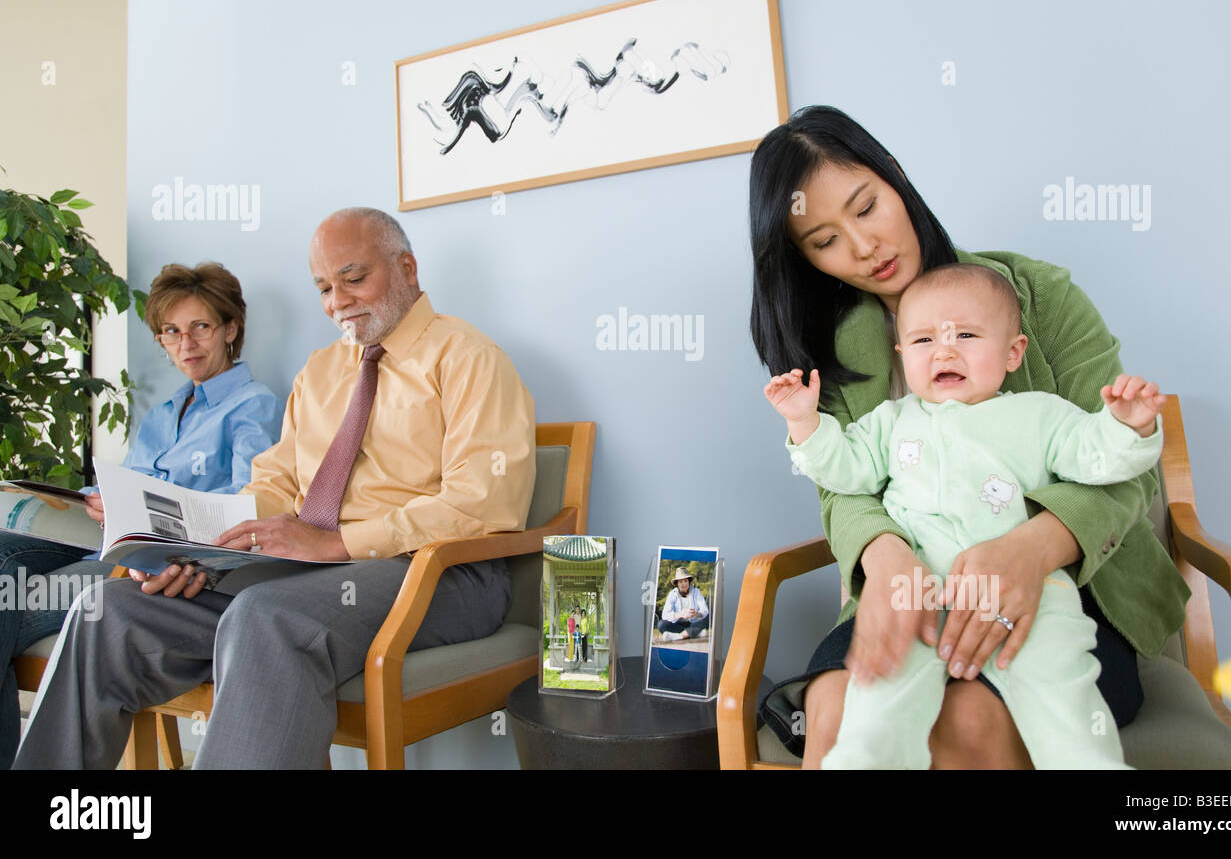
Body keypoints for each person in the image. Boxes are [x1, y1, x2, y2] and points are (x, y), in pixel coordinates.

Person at [15, 207, 536, 769]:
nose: (338, 301)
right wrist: (208, 548)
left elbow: (484, 502)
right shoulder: (321, 371)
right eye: (323, 287)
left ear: (407, 267)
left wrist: (338, 544)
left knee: (266, 616)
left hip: (439, 573)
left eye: (354, 278)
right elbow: (276, 481)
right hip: (305, 574)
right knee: (108, 611)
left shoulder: (470, 359)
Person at [748, 105, 1189, 768]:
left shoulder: (1036, 297)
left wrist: (1032, 548)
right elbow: (845, 484)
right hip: (911, 583)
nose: (863, 246)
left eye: (867, 207)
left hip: (1063, 596)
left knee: (968, 721)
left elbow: (1121, 466)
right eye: (825, 240)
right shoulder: (837, 352)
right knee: (838, 712)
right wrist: (883, 554)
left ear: (896, 177)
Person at [765, 264, 1165, 768]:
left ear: (1013, 352)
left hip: (1029, 598)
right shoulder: (891, 422)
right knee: (876, 705)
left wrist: (1127, 426)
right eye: (924, 339)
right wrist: (805, 422)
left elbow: (1096, 460)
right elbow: (844, 472)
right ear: (902, 356)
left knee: (1064, 701)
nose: (944, 350)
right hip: (919, 595)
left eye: (967, 336)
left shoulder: (1040, 414)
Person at [0, 262, 280, 770]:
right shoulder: (163, 413)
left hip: (154, 559)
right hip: (100, 537)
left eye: (200, 327)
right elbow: (128, 483)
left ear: (230, 329)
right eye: (171, 332)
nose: (185, 343)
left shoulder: (254, 406)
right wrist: (84, 496)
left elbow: (249, 504)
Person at [658, 567, 710, 641]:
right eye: (681, 582)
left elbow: (705, 611)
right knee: (661, 625)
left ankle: (679, 636)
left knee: (708, 617)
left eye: (685, 581)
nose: (684, 584)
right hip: (678, 624)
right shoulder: (672, 594)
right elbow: (665, 615)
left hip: (693, 622)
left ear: (689, 582)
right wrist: (679, 614)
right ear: (677, 584)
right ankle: (694, 633)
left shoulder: (696, 592)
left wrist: (697, 614)